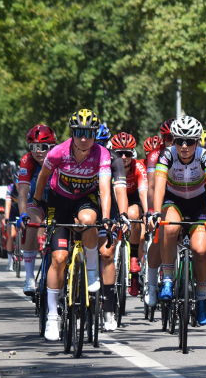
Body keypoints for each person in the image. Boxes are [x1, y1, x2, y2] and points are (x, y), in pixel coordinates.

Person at [29, 109, 112, 341]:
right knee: (59, 258)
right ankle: (52, 316)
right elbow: (43, 178)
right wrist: (37, 202)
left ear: (94, 135)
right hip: (60, 200)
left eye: (89, 133)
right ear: (72, 133)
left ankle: (92, 272)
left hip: (86, 198)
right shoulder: (58, 152)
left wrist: (106, 216)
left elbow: (105, 188)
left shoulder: (102, 154)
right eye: (78, 132)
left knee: (89, 221)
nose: (83, 138)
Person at [150, 116, 206, 326]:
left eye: (190, 141)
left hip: (199, 204)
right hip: (174, 201)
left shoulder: (205, 157)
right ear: (173, 141)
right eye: (179, 141)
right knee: (169, 228)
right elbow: (159, 187)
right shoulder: (166, 155)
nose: (185, 146)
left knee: (200, 250)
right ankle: (167, 278)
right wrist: (155, 212)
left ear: (197, 141)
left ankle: (201, 296)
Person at [95, 125, 129, 331]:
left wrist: (123, 215)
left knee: (107, 253)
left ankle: (108, 310)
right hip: (83, 205)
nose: (97, 147)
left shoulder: (114, 159)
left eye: (102, 143)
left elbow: (120, 190)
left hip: (108, 208)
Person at [18, 125, 56, 295]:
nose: (38, 151)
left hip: (58, 202)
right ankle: (29, 277)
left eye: (42, 147)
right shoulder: (27, 160)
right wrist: (23, 215)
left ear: (52, 147)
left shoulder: (60, 157)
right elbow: (22, 192)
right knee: (31, 223)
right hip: (37, 202)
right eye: (33, 147)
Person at [111, 132, 148, 297]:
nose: (124, 157)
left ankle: (134, 260)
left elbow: (144, 192)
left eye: (128, 153)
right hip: (114, 200)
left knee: (133, 214)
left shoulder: (138, 167)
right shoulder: (108, 165)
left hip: (133, 200)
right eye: (120, 153)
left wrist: (147, 212)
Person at [143, 120, 174, 307]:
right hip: (162, 197)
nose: (173, 142)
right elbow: (152, 187)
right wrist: (151, 212)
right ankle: (152, 284)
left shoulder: (188, 150)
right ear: (163, 138)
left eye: (176, 137)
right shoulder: (155, 155)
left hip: (184, 195)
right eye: (169, 137)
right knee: (158, 237)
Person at [1, 176, 19, 271]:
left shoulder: (27, 187)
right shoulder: (10, 188)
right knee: (11, 235)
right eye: (17, 181)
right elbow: (7, 205)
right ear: (14, 181)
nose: (19, 183)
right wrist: (7, 219)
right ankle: (10, 261)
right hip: (13, 212)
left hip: (23, 211)